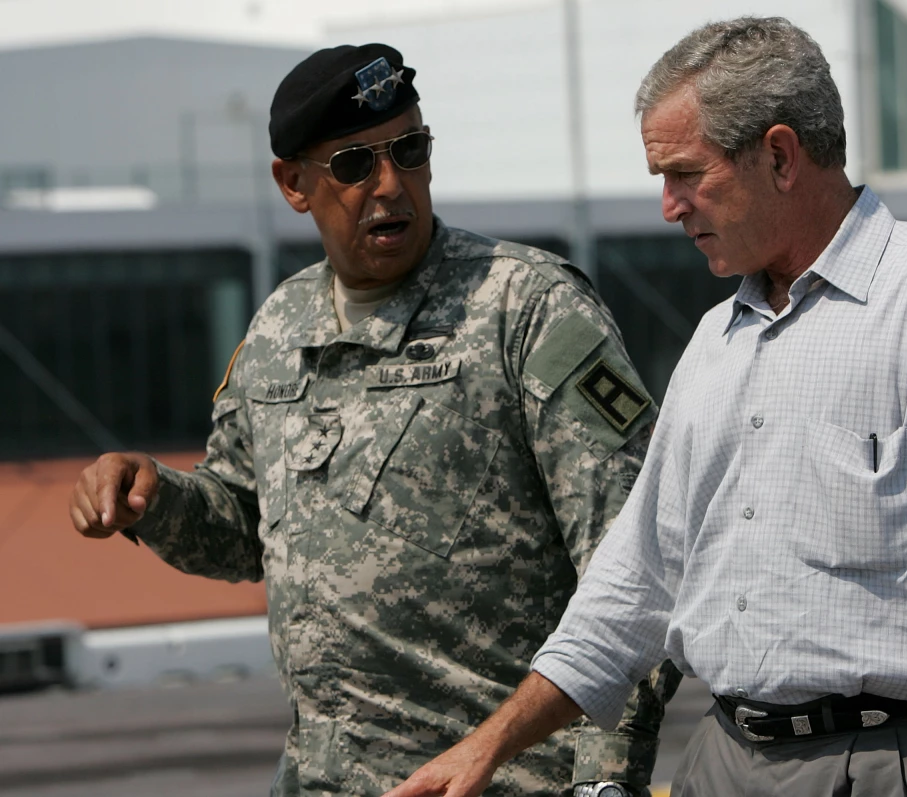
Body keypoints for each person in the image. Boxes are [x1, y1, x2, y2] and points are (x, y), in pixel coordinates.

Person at [389, 16, 907, 797]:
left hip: (885, 764)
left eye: (686, 173)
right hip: (720, 761)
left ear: (780, 155)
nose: (668, 206)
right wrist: (487, 747)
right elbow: (634, 584)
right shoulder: (715, 343)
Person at [67, 43, 679, 797]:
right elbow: (243, 529)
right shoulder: (278, 328)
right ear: (293, 183)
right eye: (354, 165)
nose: (391, 186)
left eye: (410, 151)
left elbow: (635, 562)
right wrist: (154, 498)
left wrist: (605, 783)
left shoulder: (528, 308)